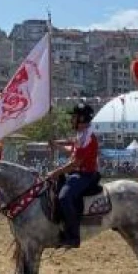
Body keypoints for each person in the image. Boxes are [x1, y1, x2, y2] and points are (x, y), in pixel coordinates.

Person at [47, 103, 100, 249]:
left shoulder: (88, 138)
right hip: (77, 173)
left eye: (74, 117)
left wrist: (55, 173)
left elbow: (75, 163)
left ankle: (73, 236)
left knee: (64, 197)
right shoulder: (82, 134)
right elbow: (72, 149)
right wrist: (57, 144)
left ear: (82, 119)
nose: (72, 120)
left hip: (85, 175)